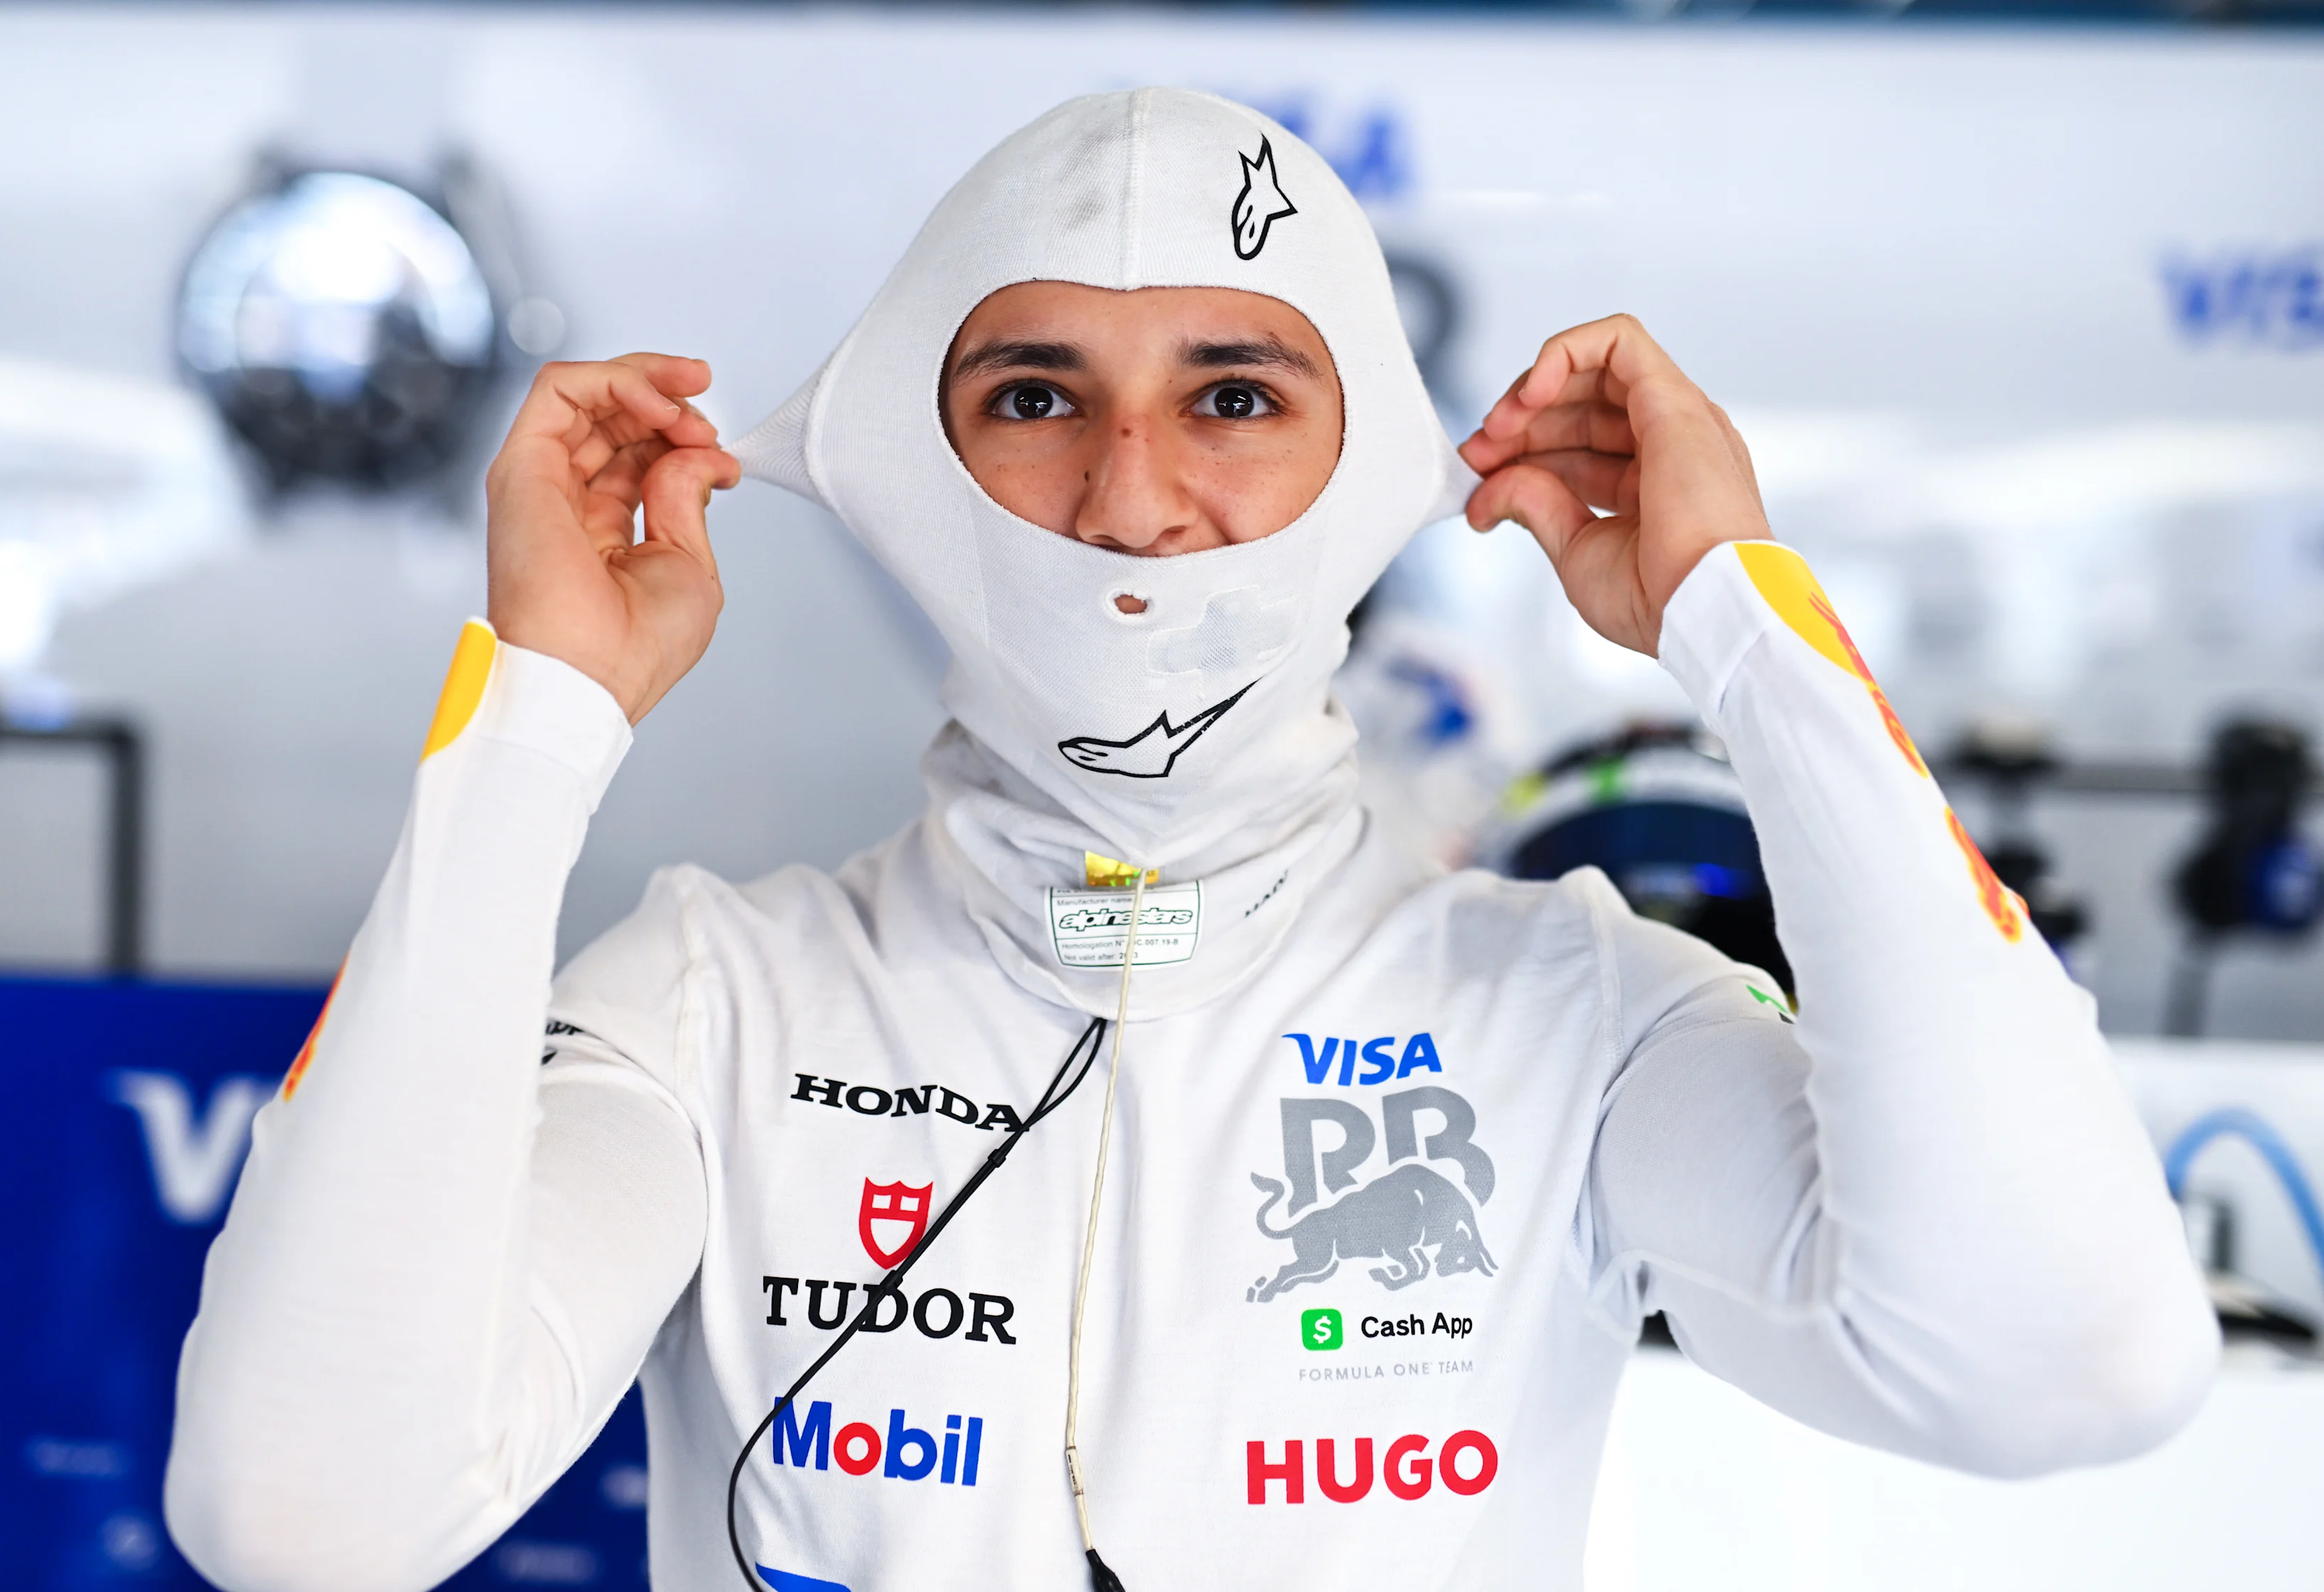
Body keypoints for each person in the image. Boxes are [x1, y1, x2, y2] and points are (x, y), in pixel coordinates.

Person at [164, 89, 2215, 1592]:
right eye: (1036, 393)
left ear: (1369, 470)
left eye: (1236, 397)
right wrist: (534, 720)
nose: (1136, 502)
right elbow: (300, 1510)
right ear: (896, 462)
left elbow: (2072, 1359)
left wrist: (1747, 630)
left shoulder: (1571, 1016)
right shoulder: (714, 1005)